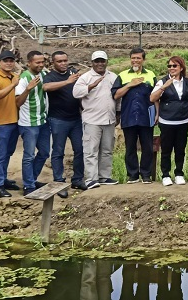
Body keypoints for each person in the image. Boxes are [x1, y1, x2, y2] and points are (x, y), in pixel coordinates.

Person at [73, 51, 119, 189]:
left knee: (107, 150)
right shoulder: (85, 77)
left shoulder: (113, 77)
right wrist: (90, 86)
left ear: (107, 62)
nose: (100, 64)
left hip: (109, 119)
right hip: (92, 120)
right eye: (97, 61)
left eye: (102, 61)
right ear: (92, 63)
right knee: (91, 151)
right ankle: (91, 179)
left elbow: (118, 97)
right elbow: (76, 93)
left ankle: (104, 176)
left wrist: (118, 113)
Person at [43, 51, 85, 198]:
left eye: (65, 60)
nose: (63, 63)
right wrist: (67, 81)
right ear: (53, 63)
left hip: (76, 119)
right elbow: (46, 87)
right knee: (58, 152)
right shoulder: (50, 76)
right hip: (58, 120)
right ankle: (58, 182)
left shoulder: (73, 73)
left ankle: (77, 179)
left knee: (80, 149)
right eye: (59, 61)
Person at [112, 47, 156, 184]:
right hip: (129, 116)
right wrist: (130, 85)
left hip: (146, 116)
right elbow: (116, 95)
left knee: (147, 147)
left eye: (138, 58)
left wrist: (157, 114)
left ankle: (146, 174)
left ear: (143, 60)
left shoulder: (151, 75)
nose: (135, 61)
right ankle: (133, 175)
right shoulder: (122, 75)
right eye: (133, 58)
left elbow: (156, 96)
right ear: (130, 59)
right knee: (130, 147)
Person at [151, 56, 188, 187]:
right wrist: (164, 87)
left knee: (180, 149)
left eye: (174, 66)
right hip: (167, 121)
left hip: (183, 121)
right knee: (166, 149)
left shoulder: (187, 82)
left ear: (181, 68)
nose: (171, 68)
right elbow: (152, 98)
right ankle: (166, 175)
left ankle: (179, 173)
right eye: (169, 66)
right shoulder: (162, 81)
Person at [15, 51, 51, 196]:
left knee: (44, 152)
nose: (41, 65)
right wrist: (28, 89)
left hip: (43, 121)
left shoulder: (43, 75)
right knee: (29, 155)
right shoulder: (24, 78)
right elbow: (17, 102)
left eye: (42, 62)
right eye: (37, 62)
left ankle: (32, 179)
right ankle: (28, 185)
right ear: (29, 63)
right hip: (29, 123)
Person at [0, 50, 22, 197]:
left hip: (14, 120)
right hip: (0, 122)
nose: (8, 63)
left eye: (11, 61)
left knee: (8, 153)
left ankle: (3, 179)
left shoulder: (14, 77)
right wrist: (13, 85)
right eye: (5, 61)